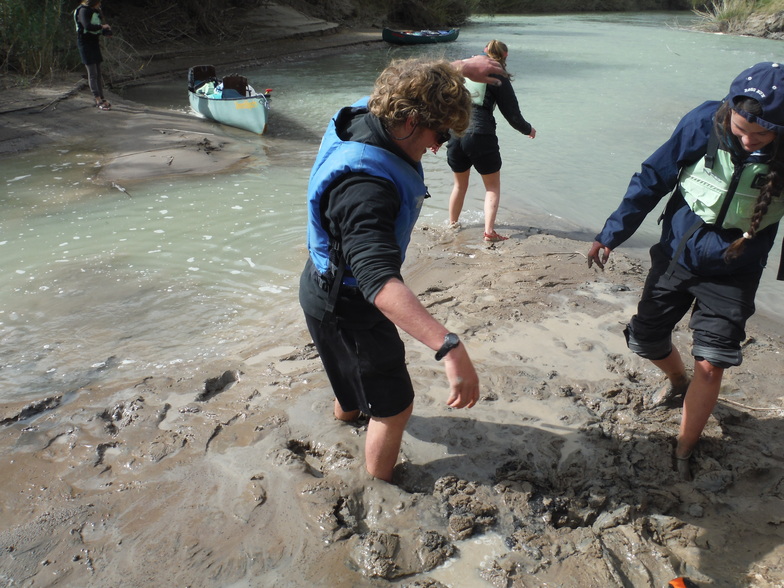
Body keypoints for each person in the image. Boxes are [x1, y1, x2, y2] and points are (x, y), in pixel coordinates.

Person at [587, 62, 784, 481]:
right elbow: (653, 177)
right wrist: (611, 233)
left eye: (761, 135)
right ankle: (678, 380)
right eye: (740, 128)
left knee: (712, 363)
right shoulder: (702, 121)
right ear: (729, 109)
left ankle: (685, 447)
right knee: (645, 338)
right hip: (678, 251)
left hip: (737, 266)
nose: (748, 141)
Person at [299, 57, 480, 483]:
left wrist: (462, 68)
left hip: (317, 288)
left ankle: (343, 423)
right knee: (395, 407)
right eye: (439, 135)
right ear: (411, 121)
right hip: (351, 305)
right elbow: (377, 280)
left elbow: (413, 85)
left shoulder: (370, 111)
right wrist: (449, 346)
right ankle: (381, 485)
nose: (438, 147)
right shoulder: (366, 189)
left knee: (350, 383)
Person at [447, 40, 536, 242]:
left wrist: (439, 136)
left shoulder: (464, 72)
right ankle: (489, 233)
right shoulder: (497, 75)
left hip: (455, 134)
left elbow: (448, 107)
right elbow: (511, 113)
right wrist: (527, 129)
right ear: (505, 57)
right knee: (492, 187)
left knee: (459, 186)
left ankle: (452, 225)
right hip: (480, 134)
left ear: (483, 53)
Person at [74, 0, 112, 110]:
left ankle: (102, 98)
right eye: (98, 2)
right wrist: (102, 27)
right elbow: (87, 26)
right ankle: (97, 99)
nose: (100, 4)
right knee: (93, 73)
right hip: (85, 44)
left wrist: (106, 31)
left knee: (98, 72)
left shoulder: (95, 11)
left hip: (94, 43)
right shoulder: (83, 10)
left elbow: (99, 27)